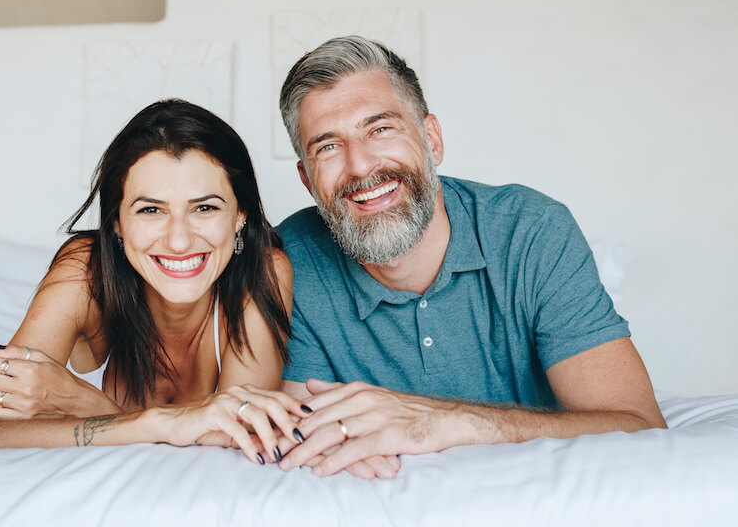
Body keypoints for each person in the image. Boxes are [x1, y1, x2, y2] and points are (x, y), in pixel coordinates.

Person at [273, 35, 667, 479]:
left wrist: (442, 423)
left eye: (380, 129)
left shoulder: (532, 230)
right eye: (328, 146)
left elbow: (638, 429)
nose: (361, 166)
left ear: (432, 140)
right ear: (308, 180)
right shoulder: (290, 262)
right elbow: (301, 437)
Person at [0, 99, 303, 465]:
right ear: (116, 221)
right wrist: (159, 424)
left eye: (205, 208)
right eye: (151, 210)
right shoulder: (84, 270)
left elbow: (241, 439)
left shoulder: (264, 270)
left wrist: (81, 401)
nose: (179, 241)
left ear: (240, 215)